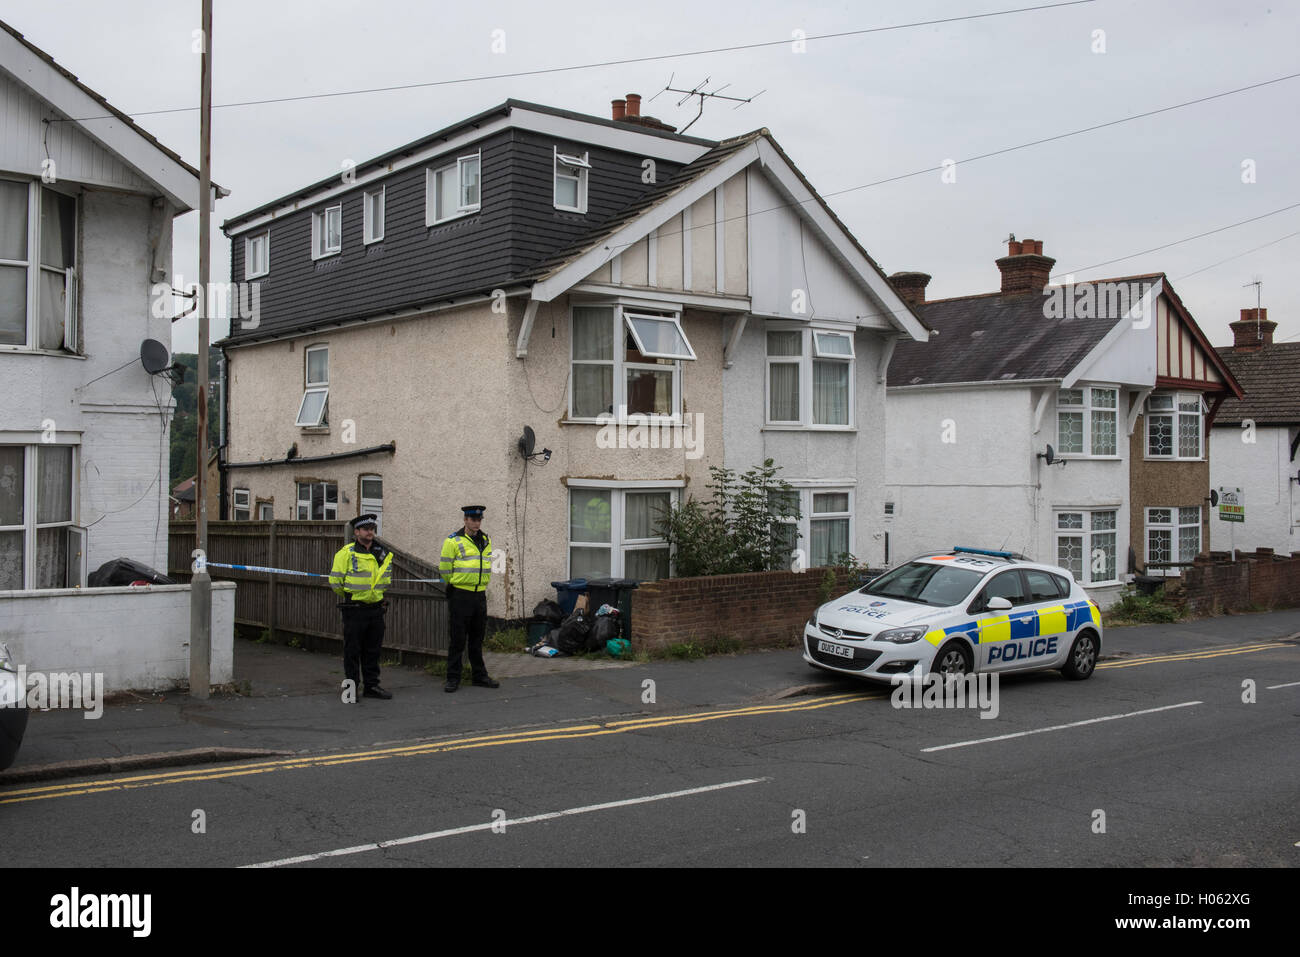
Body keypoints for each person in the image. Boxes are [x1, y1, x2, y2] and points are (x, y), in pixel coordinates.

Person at [329, 513, 393, 700]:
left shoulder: (383, 553)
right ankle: (351, 689)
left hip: (376, 608)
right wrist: (352, 597)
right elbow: (336, 582)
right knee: (352, 651)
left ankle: (372, 686)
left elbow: (385, 580)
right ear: (356, 532)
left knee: (373, 651)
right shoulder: (346, 553)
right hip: (355, 609)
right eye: (366, 529)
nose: (370, 532)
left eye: (372, 529)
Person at [439, 505, 499, 693]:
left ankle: (479, 676)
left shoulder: (486, 540)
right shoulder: (453, 541)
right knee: (457, 639)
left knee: (477, 638)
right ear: (465, 520)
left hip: (479, 595)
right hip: (461, 594)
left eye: (479, 520)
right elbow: (445, 570)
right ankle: (453, 678)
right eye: (473, 520)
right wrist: (455, 585)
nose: (476, 523)